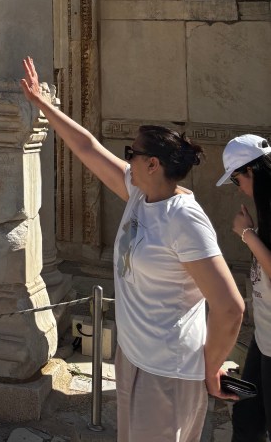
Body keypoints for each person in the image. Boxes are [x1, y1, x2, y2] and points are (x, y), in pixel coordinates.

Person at [20, 56, 244, 442]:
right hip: (134, 357)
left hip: (169, 370)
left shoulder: (184, 220)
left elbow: (230, 306)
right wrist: (44, 105)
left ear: (152, 164)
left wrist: (210, 368)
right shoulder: (140, 195)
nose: (126, 159)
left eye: (132, 153)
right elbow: (87, 148)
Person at [217, 133, 271, 441]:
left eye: (237, 180)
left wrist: (247, 234)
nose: (239, 188)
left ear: (251, 171)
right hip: (263, 337)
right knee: (247, 416)